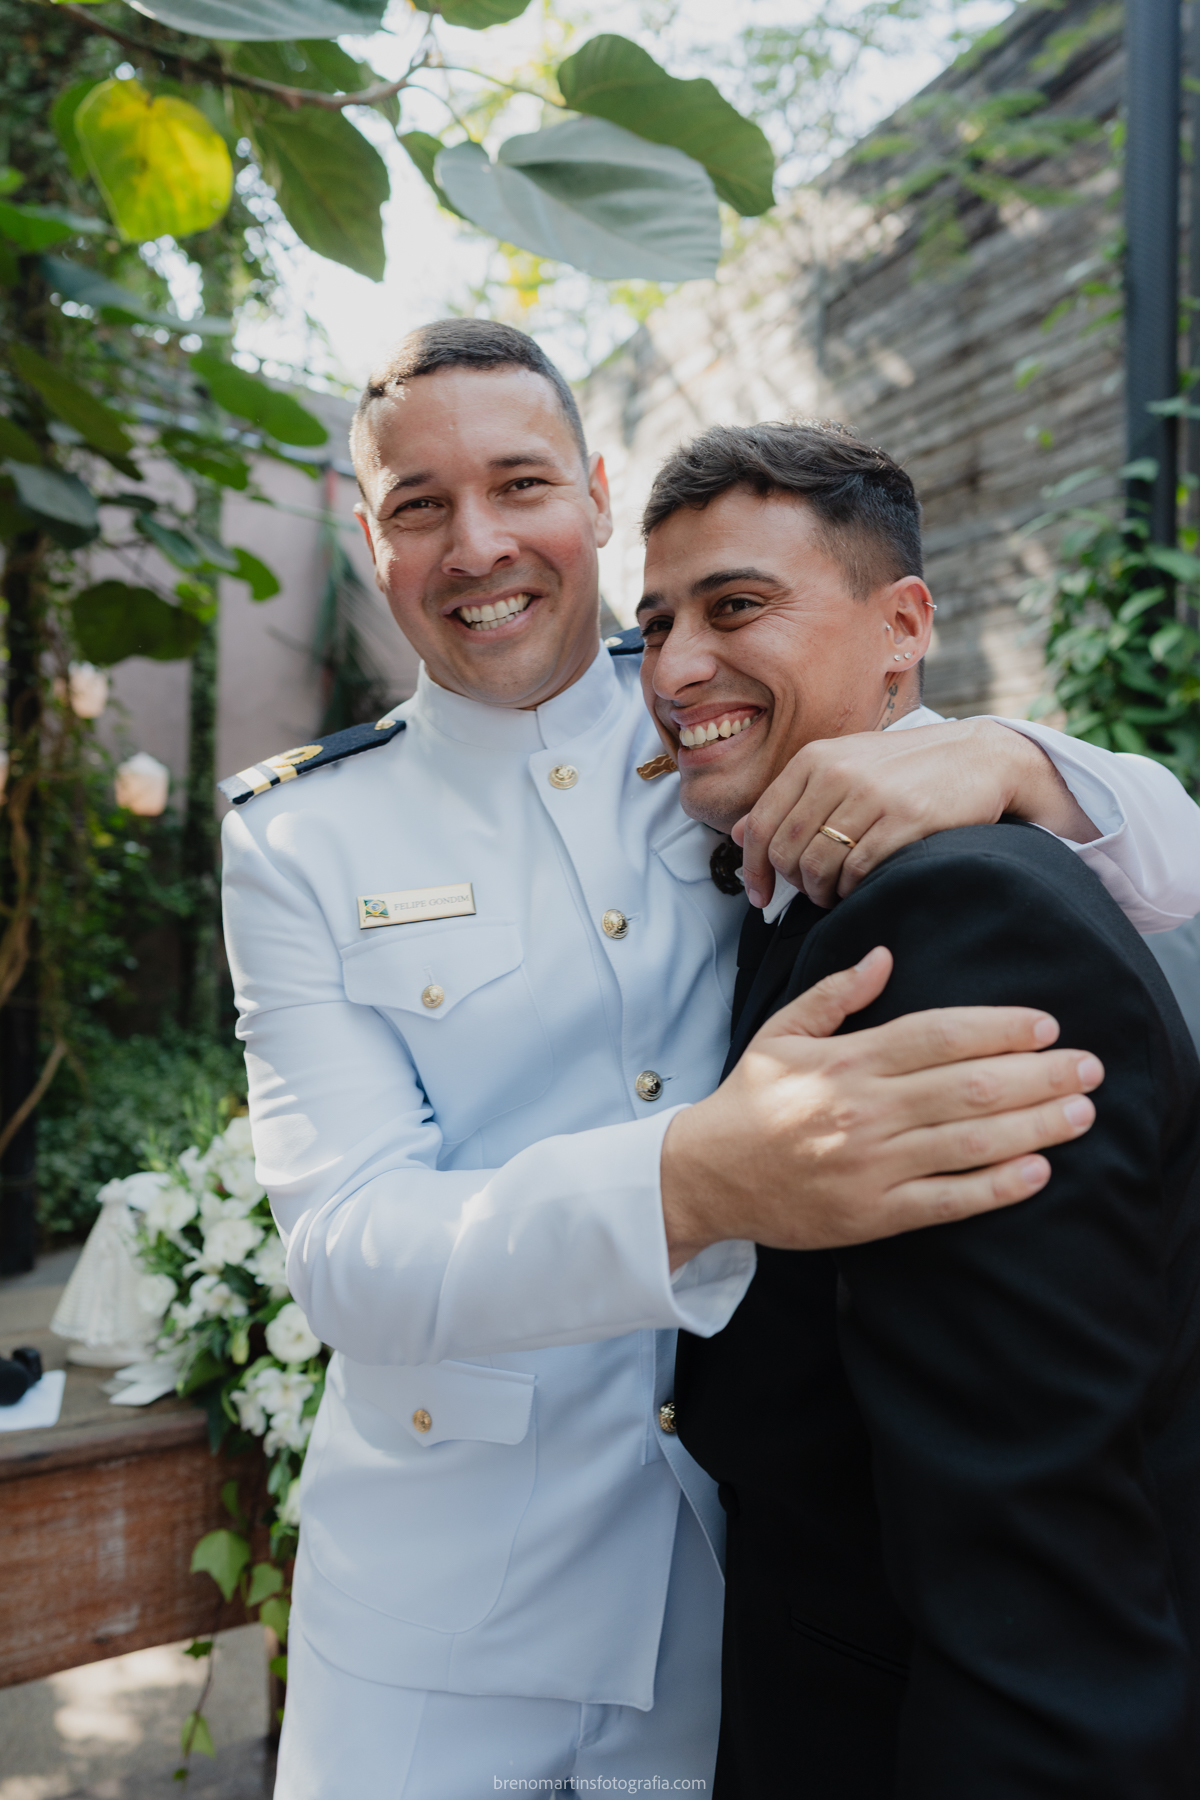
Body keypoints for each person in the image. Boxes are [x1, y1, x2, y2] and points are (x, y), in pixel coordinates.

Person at [218, 323, 1200, 1799]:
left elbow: (1158, 863)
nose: (477, 542)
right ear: (370, 539)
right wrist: (693, 1179)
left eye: (522, 483)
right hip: (442, 1617)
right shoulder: (299, 837)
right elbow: (348, 1244)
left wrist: (1021, 761)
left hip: (726, 1591)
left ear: (598, 496)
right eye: (418, 504)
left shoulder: (720, 702)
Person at [642, 421, 1200, 1796]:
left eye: (737, 607)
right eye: (653, 624)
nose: (670, 670)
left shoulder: (957, 918)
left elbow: (1039, 1569)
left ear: (904, 630)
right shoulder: (805, 880)